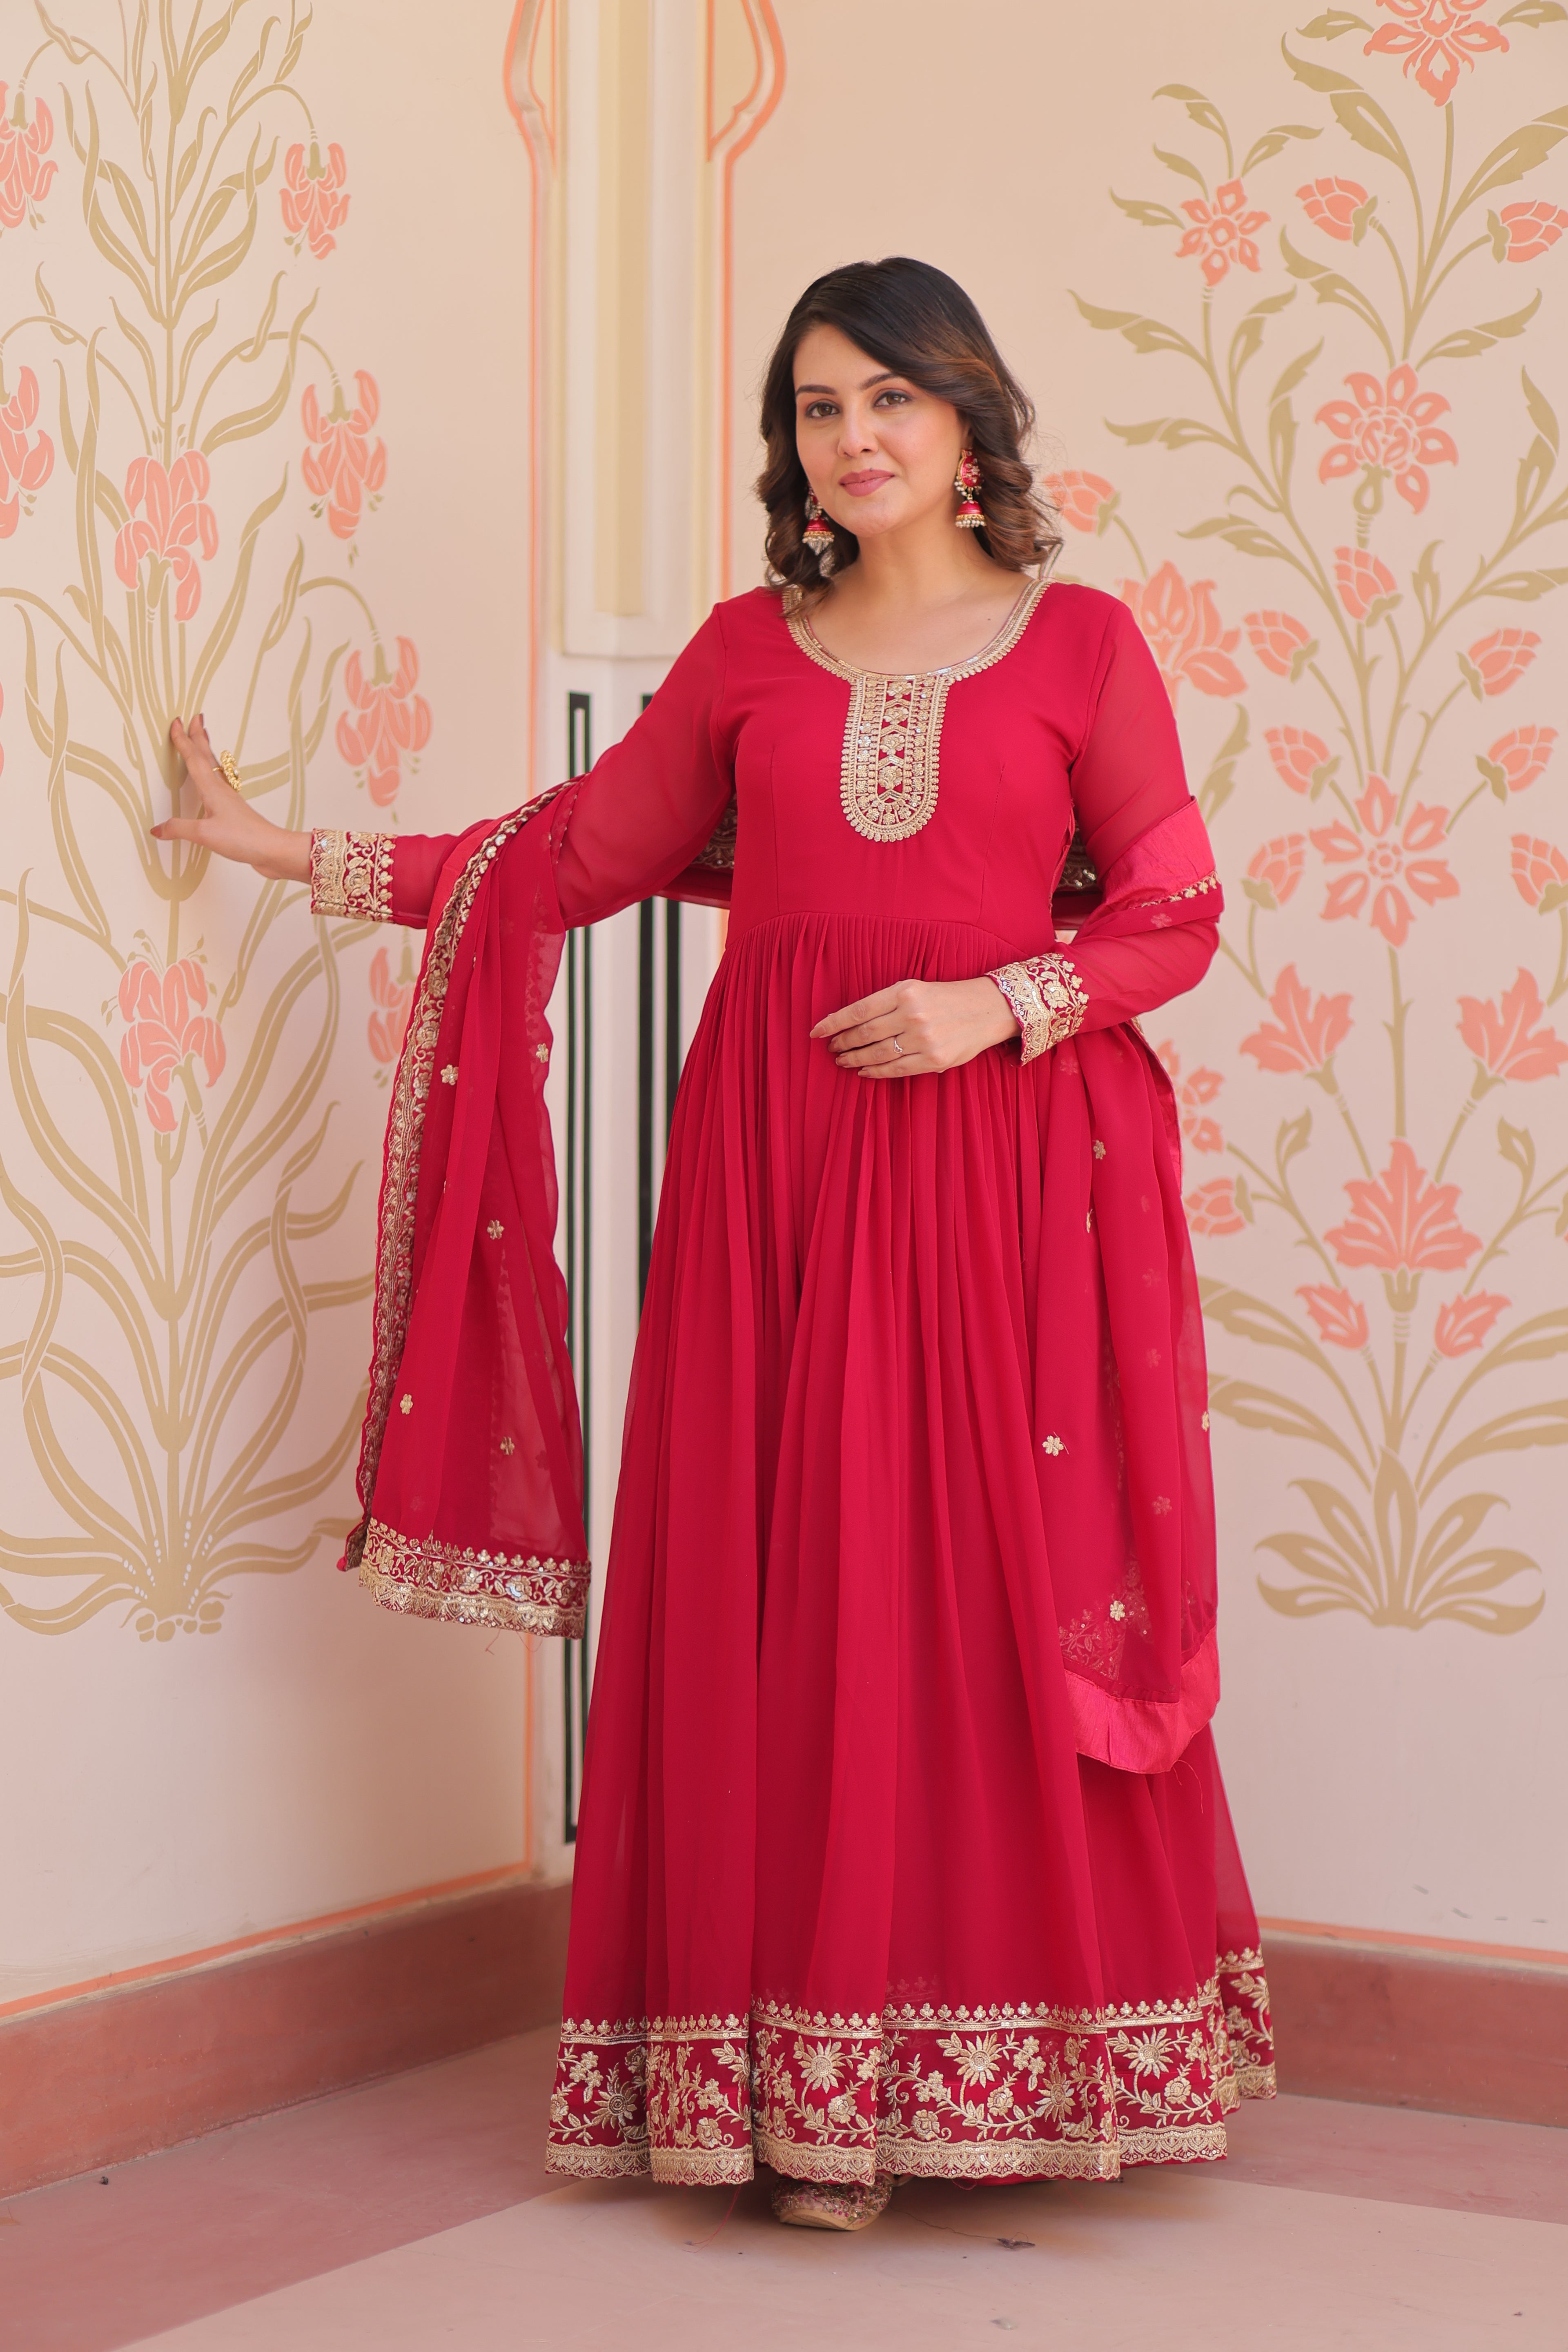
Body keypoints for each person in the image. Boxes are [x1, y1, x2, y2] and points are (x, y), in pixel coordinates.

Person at [156, 257, 1274, 2234]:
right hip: (778, 1182)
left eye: (888, 401)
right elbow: (569, 860)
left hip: (1002, 1183)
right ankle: (793, 2091)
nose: (850, 440)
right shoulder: (744, 656)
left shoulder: (1085, 643)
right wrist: (280, 853)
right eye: (817, 410)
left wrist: (992, 1006)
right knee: (800, 1593)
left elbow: (1173, 916)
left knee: (968, 1595)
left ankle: (988, 2069)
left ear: (970, 419)